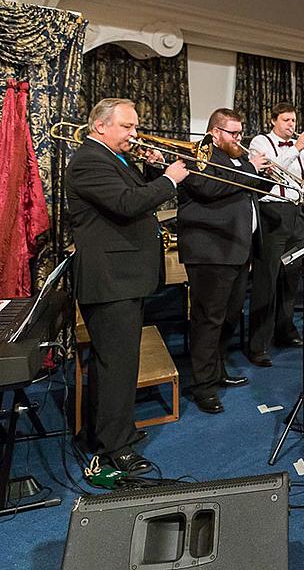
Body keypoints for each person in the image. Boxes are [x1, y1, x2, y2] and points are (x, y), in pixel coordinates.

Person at [68, 98, 189, 473]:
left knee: (115, 364)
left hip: (123, 278)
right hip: (110, 279)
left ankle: (106, 431)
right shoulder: (89, 160)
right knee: (117, 365)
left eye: (135, 126)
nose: (134, 134)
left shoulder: (113, 159)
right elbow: (125, 204)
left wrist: (153, 172)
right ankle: (114, 448)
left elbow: (136, 200)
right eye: (127, 127)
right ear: (101, 126)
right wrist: (169, 179)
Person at [178, 108, 272, 414]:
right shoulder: (198, 155)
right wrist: (250, 171)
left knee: (230, 316)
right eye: (233, 133)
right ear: (215, 132)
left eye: (241, 132)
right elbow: (208, 188)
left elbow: (248, 191)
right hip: (210, 251)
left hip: (237, 249)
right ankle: (202, 385)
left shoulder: (240, 161)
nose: (239, 138)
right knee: (207, 319)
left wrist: (263, 178)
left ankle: (216, 371)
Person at [246, 103, 304, 367]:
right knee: (267, 279)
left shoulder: (297, 147)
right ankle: (257, 345)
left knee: (291, 277)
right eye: (286, 120)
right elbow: (271, 171)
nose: (291, 124)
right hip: (271, 211)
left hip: (295, 213)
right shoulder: (259, 141)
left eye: (294, 120)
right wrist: (296, 149)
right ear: (273, 120)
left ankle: (285, 332)